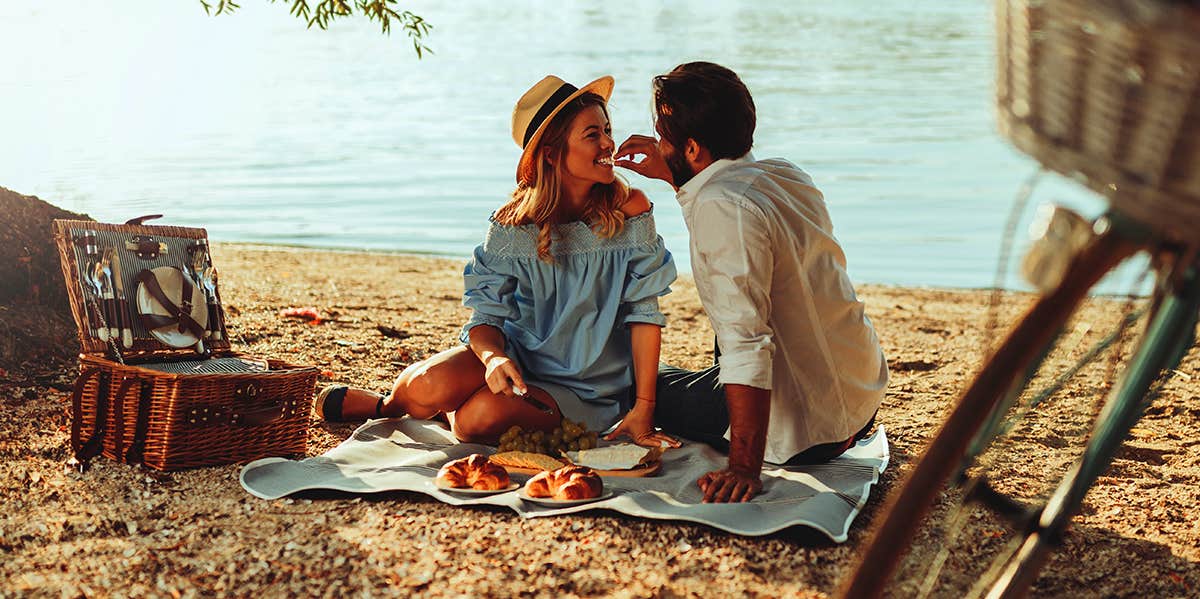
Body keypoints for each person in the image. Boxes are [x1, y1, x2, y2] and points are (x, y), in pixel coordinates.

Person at [316, 75, 680, 450]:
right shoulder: (512, 225)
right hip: (515, 360)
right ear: (552, 154)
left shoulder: (630, 210)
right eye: (592, 134)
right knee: (427, 385)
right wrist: (492, 359)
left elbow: (644, 312)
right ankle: (387, 407)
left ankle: (449, 410)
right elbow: (486, 319)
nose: (608, 143)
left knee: (477, 421)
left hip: (586, 387)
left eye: (607, 129)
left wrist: (644, 408)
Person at [614, 62, 887, 503]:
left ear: (694, 149)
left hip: (807, 433)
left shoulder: (721, 207)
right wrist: (673, 170)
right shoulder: (784, 175)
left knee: (630, 380)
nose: (656, 144)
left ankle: (737, 439)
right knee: (681, 367)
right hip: (857, 401)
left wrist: (744, 467)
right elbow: (720, 207)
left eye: (664, 137)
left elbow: (747, 342)